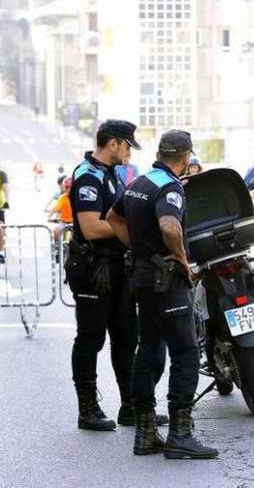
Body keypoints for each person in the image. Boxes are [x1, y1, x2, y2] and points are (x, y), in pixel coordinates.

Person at [107, 129, 217, 459]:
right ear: (185, 159)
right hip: (166, 282)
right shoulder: (170, 187)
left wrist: (140, 249)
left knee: (148, 348)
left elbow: (113, 217)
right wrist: (184, 263)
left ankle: (146, 433)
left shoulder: (139, 183)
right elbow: (170, 227)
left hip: (141, 278)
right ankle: (180, 435)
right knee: (184, 353)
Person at [67, 120, 151, 432]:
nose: (129, 151)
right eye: (127, 144)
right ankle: (87, 409)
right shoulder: (87, 175)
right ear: (112, 143)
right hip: (92, 269)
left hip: (117, 268)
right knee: (90, 338)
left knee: (126, 335)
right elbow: (90, 226)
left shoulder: (112, 174)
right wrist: (130, 230)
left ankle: (130, 406)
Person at [0, 164, 8, 263]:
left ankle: (1, 251)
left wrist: (7, 202)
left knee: (1, 227)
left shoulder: (2, 174)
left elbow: (7, 188)